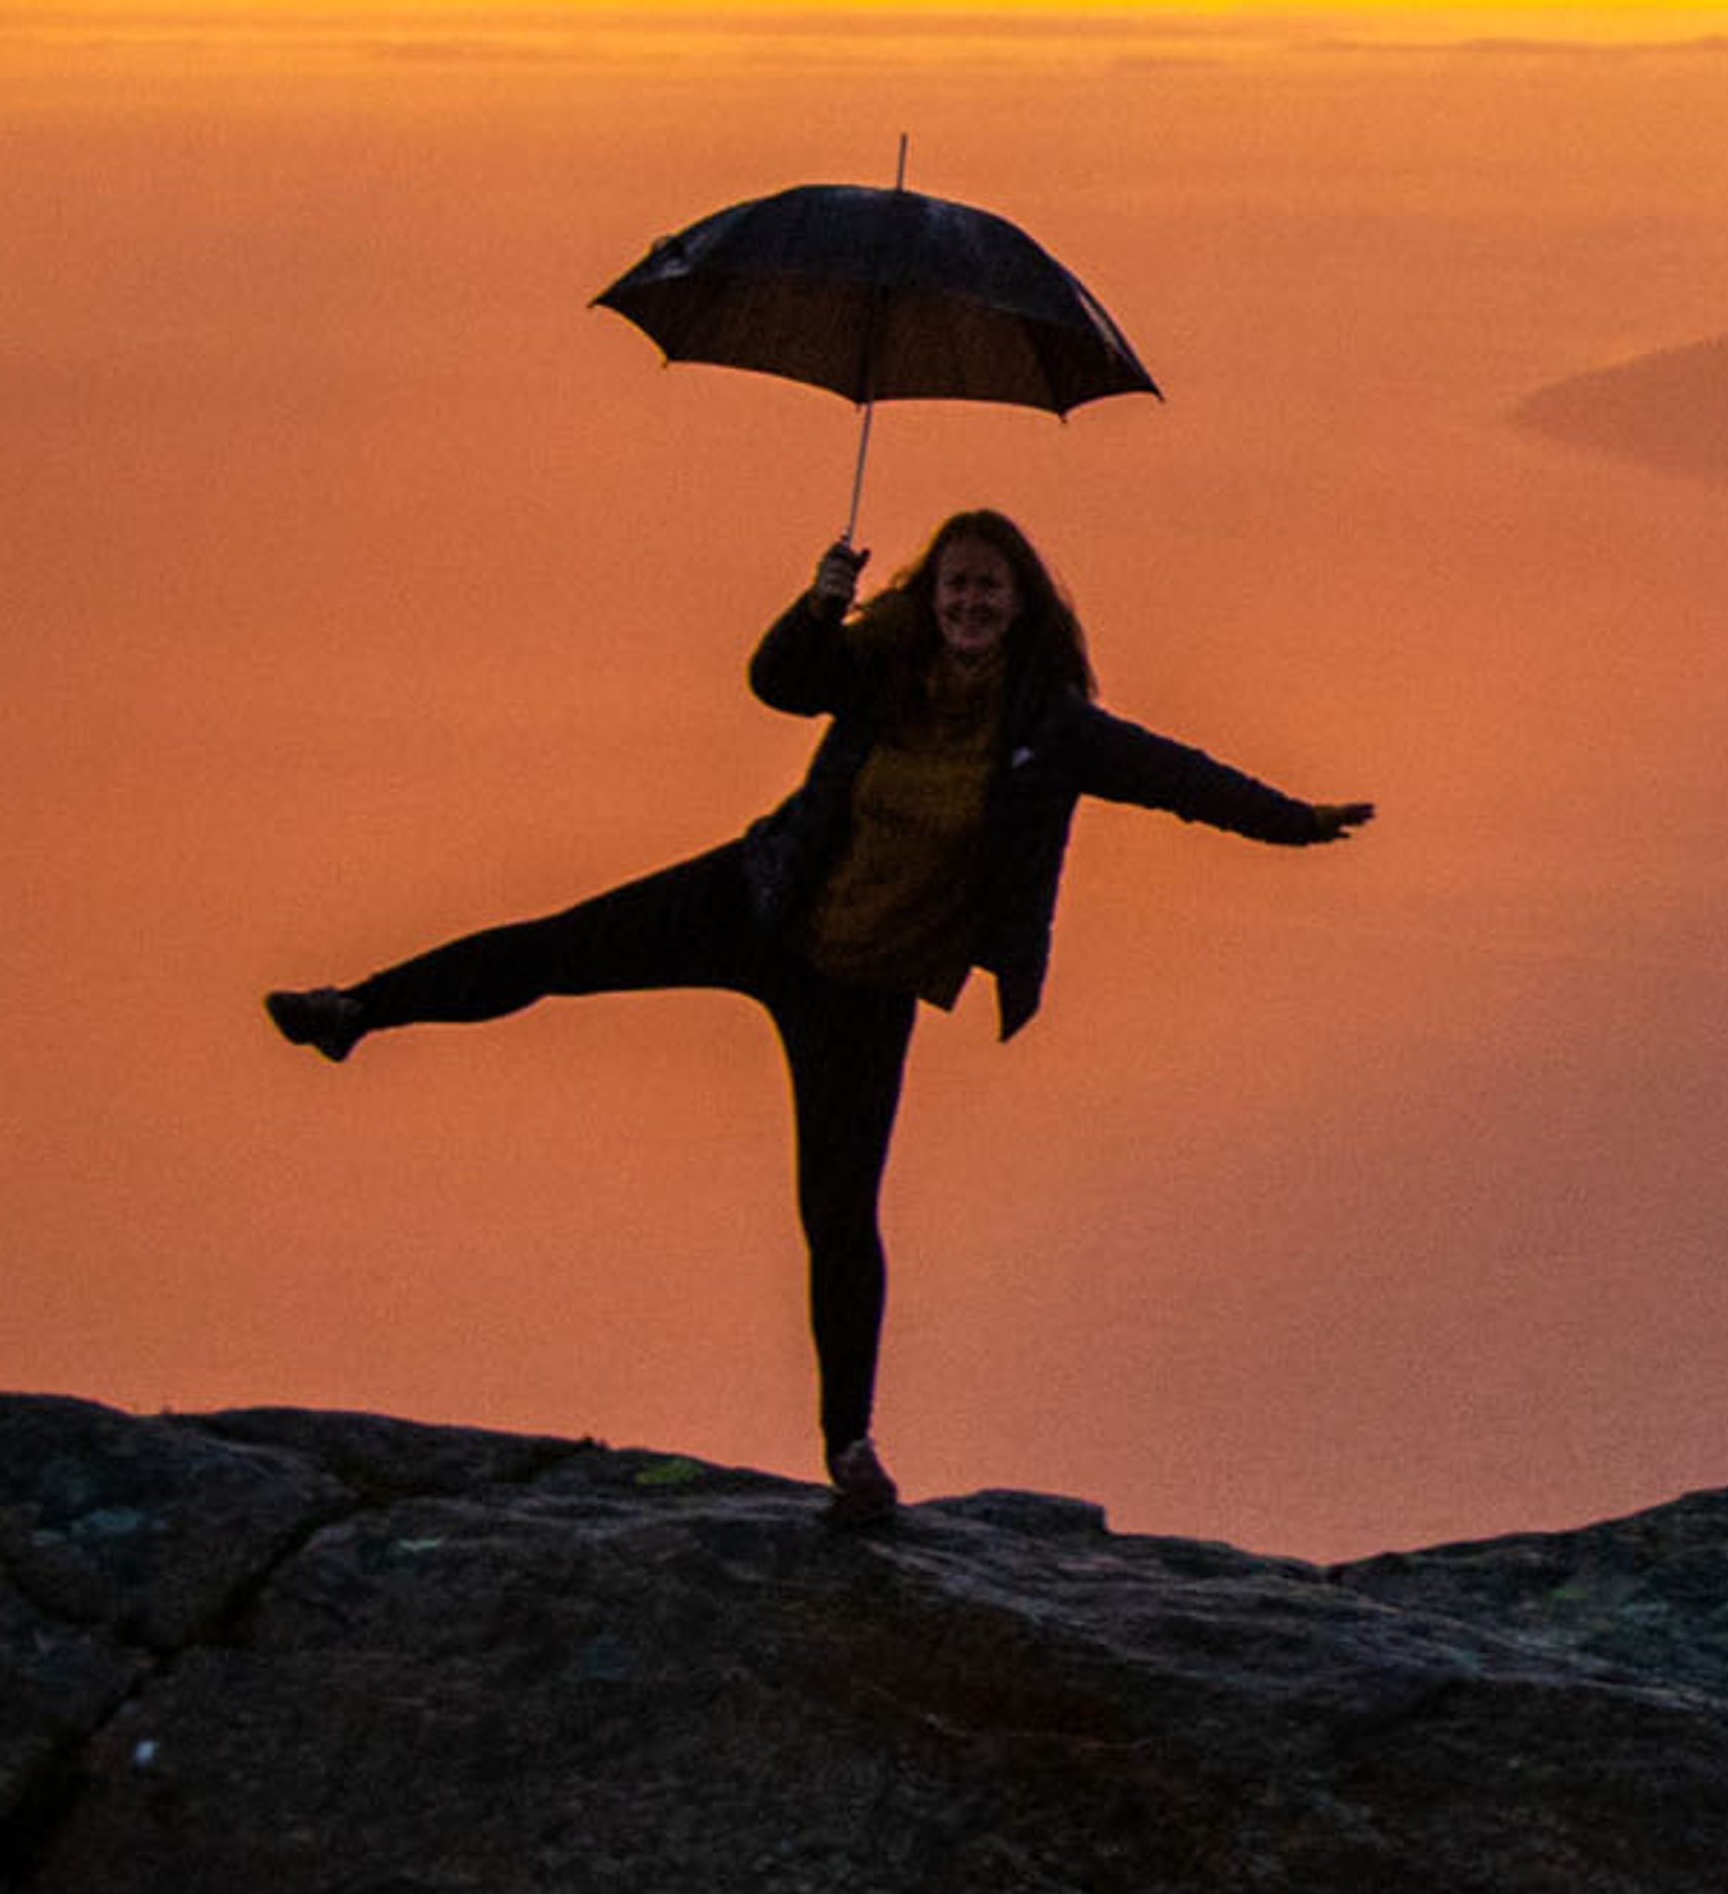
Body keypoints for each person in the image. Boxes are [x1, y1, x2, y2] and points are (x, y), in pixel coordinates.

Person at [266, 511, 1373, 1525]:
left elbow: (1177, 777)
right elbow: (779, 681)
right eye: (954, 587)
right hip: (762, 901)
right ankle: (357, 1006)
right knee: (558, 950)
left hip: (865, 989)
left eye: (989, 590)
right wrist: (821, 595)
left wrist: (1294, 821)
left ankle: (851, 1452)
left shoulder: (1051, 728)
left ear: (1023, 604)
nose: (970, 605)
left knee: (839, 1216)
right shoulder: (881, 667)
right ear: (928, 594)